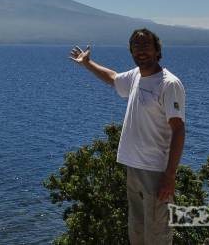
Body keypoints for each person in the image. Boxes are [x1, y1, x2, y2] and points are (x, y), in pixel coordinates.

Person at [69, 28, 185, 245]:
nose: (141, 51)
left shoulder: (169, 84)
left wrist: (170, 175)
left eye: (146, 46)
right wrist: (87, 63)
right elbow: (113, 78)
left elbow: (178, 129)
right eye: (136, 46)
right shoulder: (135, 77)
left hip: (156, 171)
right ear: (131, 51)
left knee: (158, 234)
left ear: (158, 51)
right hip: (133, 168)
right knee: (137, 231)